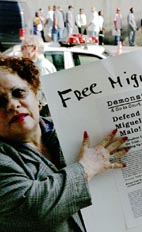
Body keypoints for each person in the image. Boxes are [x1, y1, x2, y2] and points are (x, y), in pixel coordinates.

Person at [0, 56, 128, 231]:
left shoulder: (69, 129)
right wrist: (85, 169)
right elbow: (32, 209)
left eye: (18, 93)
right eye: (0, 102)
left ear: (36, 94)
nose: (12, 105)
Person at [20, 35, 57, 116]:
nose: (21, 51)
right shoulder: (35, 65)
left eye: (24, 47)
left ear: (34, 48)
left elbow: (43, 95)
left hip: (43, 111)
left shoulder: (42, 67)